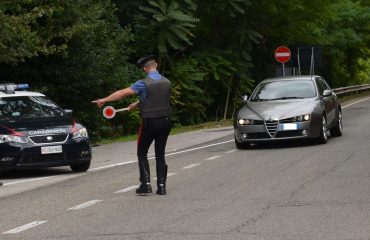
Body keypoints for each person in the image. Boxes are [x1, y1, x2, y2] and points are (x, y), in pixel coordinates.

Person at [93, 55, 171, 195]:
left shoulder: (144, 83)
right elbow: (156, 99)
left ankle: (146, 185)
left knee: (142, 152)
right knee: (160, 154)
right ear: (156, 66)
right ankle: (162, 186)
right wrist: (138, 104)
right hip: (165, 122)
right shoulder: (167, 82)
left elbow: (122, 93)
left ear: (145, 68)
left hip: (150, 122)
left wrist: (104, 100)